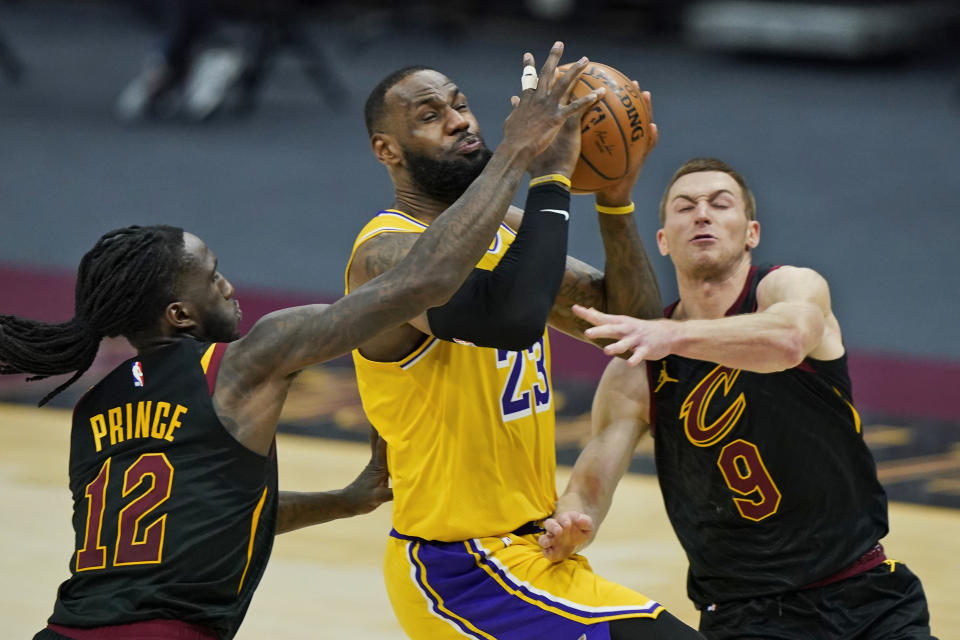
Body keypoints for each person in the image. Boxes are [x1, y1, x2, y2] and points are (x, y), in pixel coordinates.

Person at [0, 43, 599, 640]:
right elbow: (421, 284)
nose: (230, 285)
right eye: (213, 278)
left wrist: (344, 500)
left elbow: (209, 519)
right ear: (181, 315)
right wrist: (523, 153)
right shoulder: (249, 359)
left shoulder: (94, 409)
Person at [347, 43, 703, 639]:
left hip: (537, 552)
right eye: (431, 115)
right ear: (387, 150)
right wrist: (541, 172)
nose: (460, 120)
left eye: (460, 105)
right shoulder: (386, 254)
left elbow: (634, 330)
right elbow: (508, 319)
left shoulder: (509, 228)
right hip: (459, 568)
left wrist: (615, 199)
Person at [542, 157, 937, 639]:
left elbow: (789, 341)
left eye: (719, 203)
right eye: (685, 208)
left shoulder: (788, 287)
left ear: (751, 232)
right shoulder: (638, 368)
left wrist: (672, 336)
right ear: (664, 242)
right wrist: (572, 523)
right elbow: (589, 486)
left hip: (865, 594)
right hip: (745, 615)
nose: (702, 214)